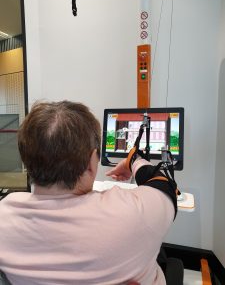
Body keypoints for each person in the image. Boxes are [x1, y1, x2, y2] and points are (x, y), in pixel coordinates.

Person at [0, 100, 177, 285]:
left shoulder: (4, 214)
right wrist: (134, 160)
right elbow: (166, 187)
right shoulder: (134, 213)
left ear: (26, 160)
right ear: (91, 162)